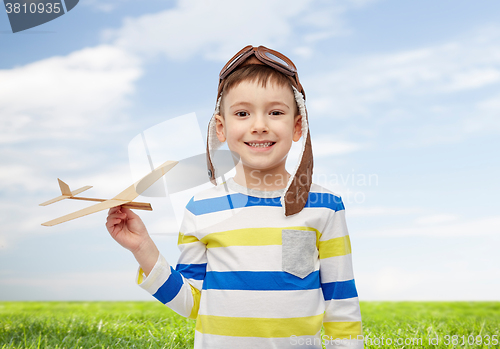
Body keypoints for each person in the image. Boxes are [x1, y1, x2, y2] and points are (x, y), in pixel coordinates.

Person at [106, 45, 364, 349]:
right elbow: (193, 304)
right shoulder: (201, 208)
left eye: (276, 112)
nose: (259, 125)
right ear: (221, 127)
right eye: (242, 113)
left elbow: (341, 305)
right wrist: (143, 248)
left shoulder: (325, 206)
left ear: (298, 126)